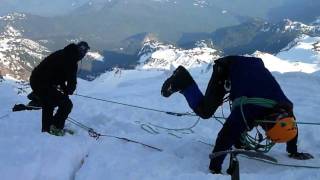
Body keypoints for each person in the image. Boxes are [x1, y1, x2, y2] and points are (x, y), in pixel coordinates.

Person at [161, 56, 313, 174]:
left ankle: (240, 140)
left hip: (249, 67)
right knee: (206, 111)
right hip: (226, 69)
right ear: (267, 125)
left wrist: (293, 150)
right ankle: (183, 80)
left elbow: (290, 127)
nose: (266, 135)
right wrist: (215, 167)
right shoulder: (250, 110)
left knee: (246, 122)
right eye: (268, 132)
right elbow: (226, 136)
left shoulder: (285, 109)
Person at [29, 41, 90, 136]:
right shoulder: (72, 61)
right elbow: (71, 82)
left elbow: (59, 75)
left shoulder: (63, 52)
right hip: (43, 83)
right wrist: (68, 91)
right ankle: (54, 127)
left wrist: (65, 90)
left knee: (49, 102)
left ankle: (48, 128)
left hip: (36, 80)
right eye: (84, 52)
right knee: (66, 104)